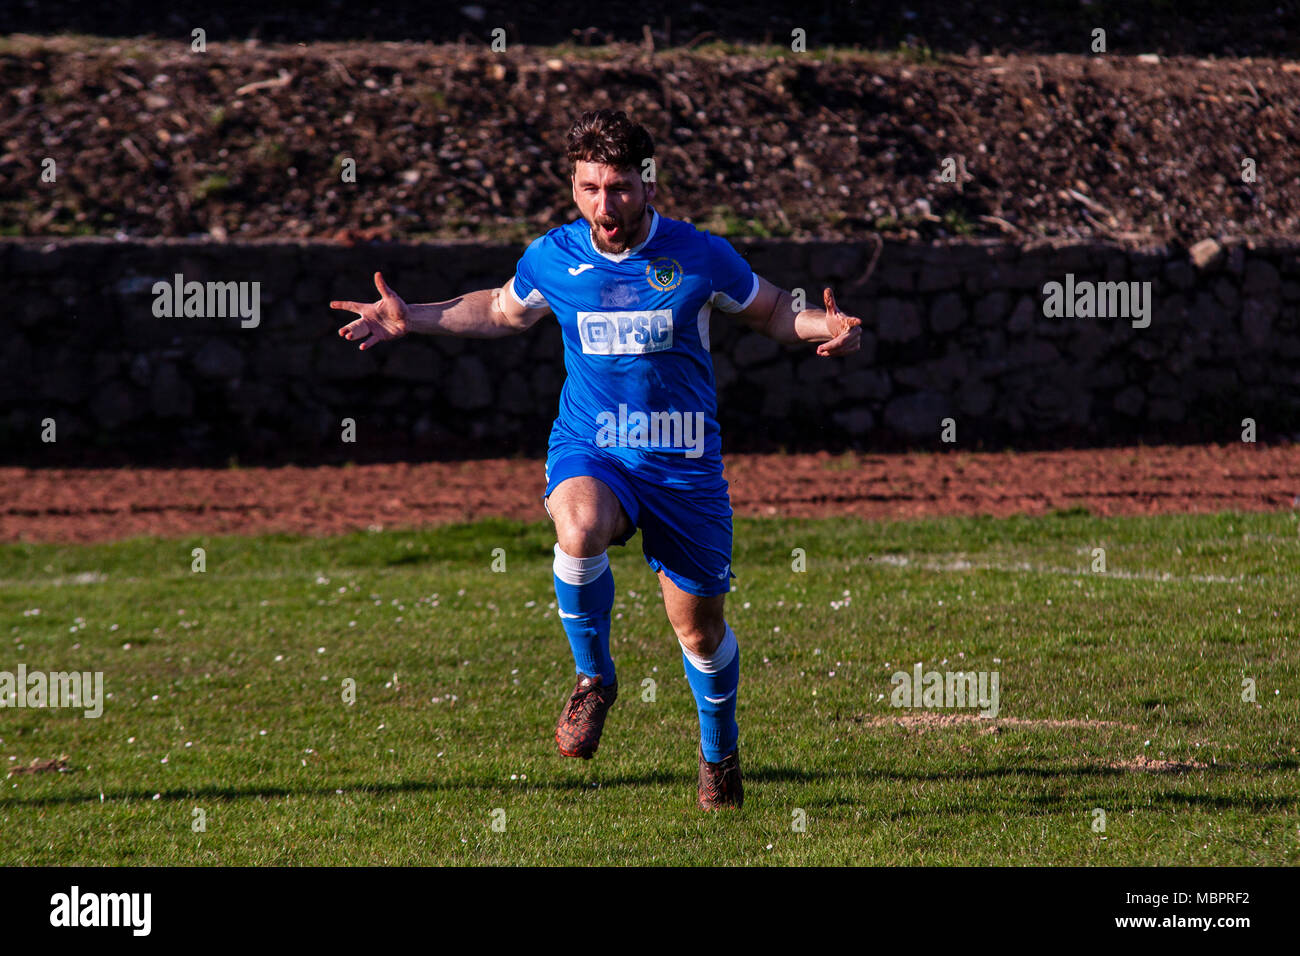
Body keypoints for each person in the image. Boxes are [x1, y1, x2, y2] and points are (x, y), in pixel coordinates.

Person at [330, 109, 862, 809]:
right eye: (588, 189)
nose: (602, 205)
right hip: (593, 444)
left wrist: (831, 325)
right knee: (577, 530)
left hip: (683, 462)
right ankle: (594, 680)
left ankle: (719, 755)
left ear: (646, 183)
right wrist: (413, 317)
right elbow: (498, 310)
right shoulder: (554, 257)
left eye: (616, 188)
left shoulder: (700, 255)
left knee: (698, 633)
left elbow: (768, 311)